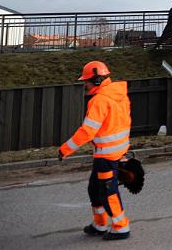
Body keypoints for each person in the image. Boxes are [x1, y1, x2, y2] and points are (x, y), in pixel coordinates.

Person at [59, 61, 132, 240]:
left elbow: (87, 131)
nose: (85, 84)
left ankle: (121, 227)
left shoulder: (99, 101)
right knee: (94, 188)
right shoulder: (119, 94)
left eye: (87, 81)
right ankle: (100, 224)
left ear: (98, 80)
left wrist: (65, 150)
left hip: (106, 155)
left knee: (108, 191)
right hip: (114, 151)